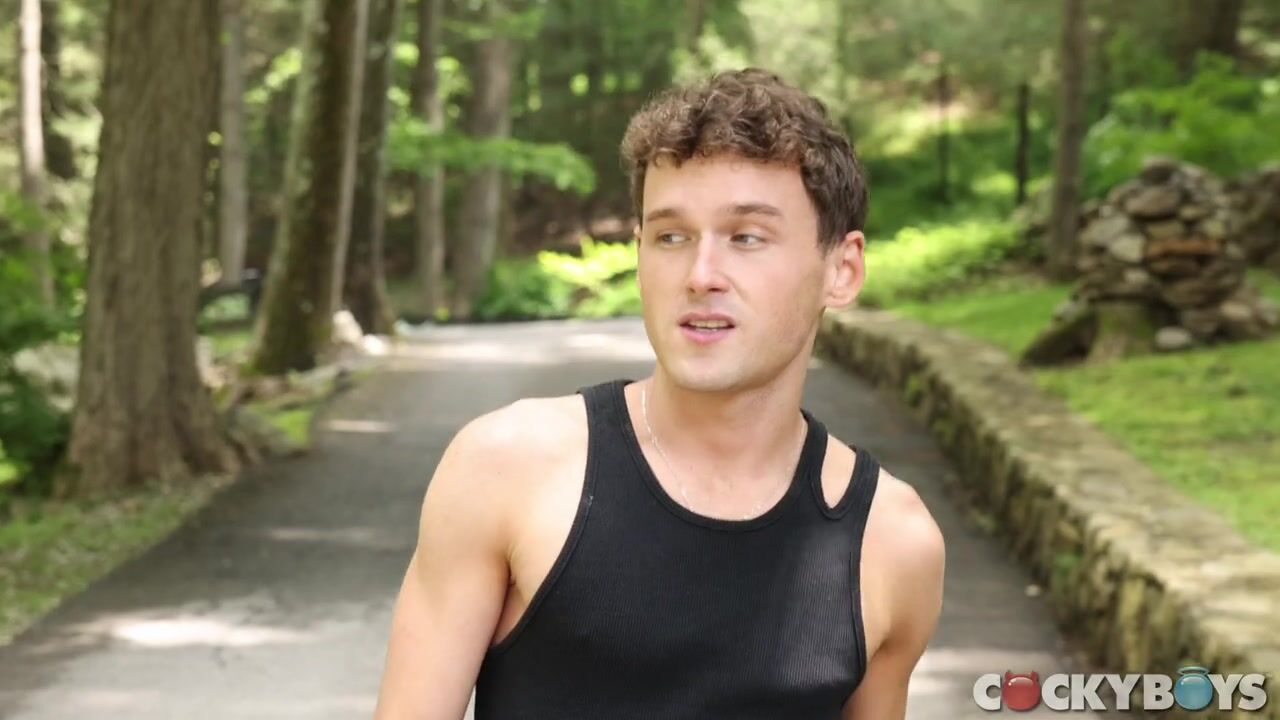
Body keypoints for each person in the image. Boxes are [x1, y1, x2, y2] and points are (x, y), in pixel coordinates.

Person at [373, 67, 945, 719]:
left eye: (747, 237)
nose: (701, 275)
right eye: (672, 237)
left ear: (841, 270)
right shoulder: (509, 468)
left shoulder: (892, 541)